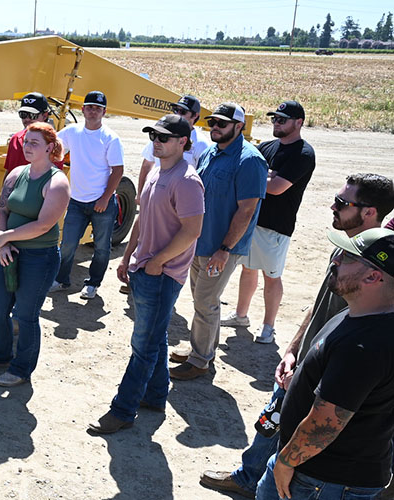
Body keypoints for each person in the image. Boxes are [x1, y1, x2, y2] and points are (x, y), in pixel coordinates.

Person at [200, 173, 394, 498]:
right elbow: (319, 305)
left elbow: (329, 419)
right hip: (308, 362)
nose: (332, 207)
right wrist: (293, 350)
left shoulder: (373, 264)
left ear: (370, 211)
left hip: (333, 404)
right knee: (273, 422)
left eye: (343, 203)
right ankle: (250, 475)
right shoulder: (348, 251)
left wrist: (288, 461)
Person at [255, 227, 394, 500]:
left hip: (321, 481)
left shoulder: (366, 345)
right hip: (319, 475)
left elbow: (326, 422)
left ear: (373, 276)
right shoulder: (360, 312)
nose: (336, 260)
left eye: (348, 257)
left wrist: (285, 462)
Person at [88, 114, 205, 434]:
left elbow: (192, 231)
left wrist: (158, 262)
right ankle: (154, 395)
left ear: (183, 142)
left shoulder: (187, 180)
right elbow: (141, 217)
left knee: (144, 345)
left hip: (163, 275)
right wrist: (128, 257)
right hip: (144, 268)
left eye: (164, 137)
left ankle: (123, 410)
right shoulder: (156, 170)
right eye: (154, 135)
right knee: (154, 336)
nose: (157, 140)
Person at [169, 103, 267, 381]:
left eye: (222, 124)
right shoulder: (211, 153)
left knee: (206, 301)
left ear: (239, 127)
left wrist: (224, 250)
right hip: (201, 242)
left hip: (221, 248)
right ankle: (202, 350)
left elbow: (246, 210)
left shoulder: (250, 160)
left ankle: (199, 361)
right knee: (204, 301)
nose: (215, 128)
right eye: (213, 122)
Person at [0, 122, 71, 387]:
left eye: (34, 143)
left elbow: (43, 225)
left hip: (39, 258)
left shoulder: (57, 183)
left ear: (50, 147)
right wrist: (2, 243)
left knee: (26, 315)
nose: (27, 147)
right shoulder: (17, 173)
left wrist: (6, 237)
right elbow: (1, 210)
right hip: (9, 252)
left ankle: (21, 368)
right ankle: (0, 354)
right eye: (26, 142)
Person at [221, 101, 316, 345]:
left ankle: (268, 326)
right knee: (247, 268)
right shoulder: (266, 147)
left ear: (298, 123)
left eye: (282, 119)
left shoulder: (304, 154)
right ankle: (241, 315)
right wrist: (265, 175)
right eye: (275, 118)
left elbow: (275, 187)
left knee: (271, 275)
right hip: (251, 220)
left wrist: (261, 176)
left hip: (277, 226)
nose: (276, 122)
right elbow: (245, 173)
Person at [51, 91, 125, 300]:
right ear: (82, 109)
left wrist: (104, 199)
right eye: (89, 107)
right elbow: (54, 147)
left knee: (101, 247)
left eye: (97, 108)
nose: (93, 111)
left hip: (102, 203)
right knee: (67, 244)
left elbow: (117, 170)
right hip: (76, 201)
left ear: (104, 112)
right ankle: (61, 279)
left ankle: (93, 284)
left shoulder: (110, 138)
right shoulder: (72, 132)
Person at [135, 95, 210, 196]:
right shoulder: (160, 135)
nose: (178, 114)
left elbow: (204, 178)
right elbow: (147, 165)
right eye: (175, 110)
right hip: (157, 194)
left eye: (183, 112)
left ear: (195, 116)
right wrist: (140, 193)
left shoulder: (201, 143)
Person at [0, 92, 63, 180]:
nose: (27, 119)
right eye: (23, 114)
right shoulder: (15, 140)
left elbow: (55, 179)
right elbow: (9, 172)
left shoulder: (53, 144)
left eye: (33, 115)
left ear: (45, 115)